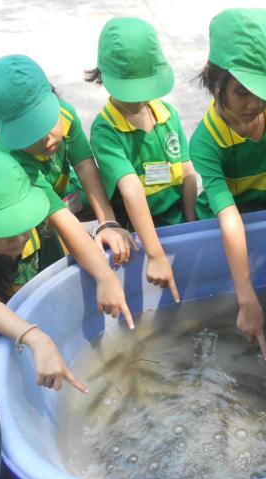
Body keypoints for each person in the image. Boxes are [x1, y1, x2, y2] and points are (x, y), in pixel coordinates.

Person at [0, 150, 133, 391]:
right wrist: (35, 338)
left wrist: (106, 277)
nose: (18, 239)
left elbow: (74, 238)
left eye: (22, 224)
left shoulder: (41, 211)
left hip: (36, 289)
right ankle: (5, 356)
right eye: (2, 230)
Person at [190, 8, 266, 360]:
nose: (255, 104)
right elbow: (228, 218)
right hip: (224, 219)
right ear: (215, 82)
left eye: (264, 92)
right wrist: (245, 299)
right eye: (242, 92)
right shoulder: (206, 142)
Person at [0, 54, 136, 265]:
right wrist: (94, 259)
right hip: (36, 212)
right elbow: (56, 211)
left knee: (114, 191)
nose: (45, 138)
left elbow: (84, 165)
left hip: (65, 192)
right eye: (28, 133)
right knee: (54, 249)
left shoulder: (65, 113)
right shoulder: (10, 158)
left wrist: (107, 223)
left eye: (45, 121)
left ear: (53, 98)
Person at [86, 16, 196, 303]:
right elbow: (131, 188)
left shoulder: (167, 114)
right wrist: (155, 254)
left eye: (144, 90)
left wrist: (191, 222)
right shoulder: (105, 130)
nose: (138, 100)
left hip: (178, 220)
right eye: (129, 92)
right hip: (136, 233)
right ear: (103, 77)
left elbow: (187, 172)